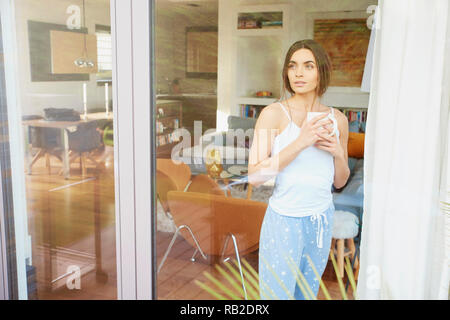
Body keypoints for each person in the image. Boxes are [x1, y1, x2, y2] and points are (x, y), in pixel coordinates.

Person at [248, 39, 350, 300]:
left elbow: (340, 181)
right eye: (293, 66)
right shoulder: (273, 114)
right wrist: (301, 141)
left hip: (320, 219)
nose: (299, 73)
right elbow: (255, 176)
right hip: (284, 219)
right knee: (276, 295)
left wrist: (338, 153)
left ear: (321, 72)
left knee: (306, 294)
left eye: (308, 66)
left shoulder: (338, 119)